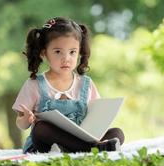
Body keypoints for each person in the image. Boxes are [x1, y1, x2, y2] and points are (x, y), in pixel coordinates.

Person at [12, 17, 125, 153]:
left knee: (118, 133)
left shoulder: (86, 84)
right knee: (40, 129)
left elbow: (96, 115)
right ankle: (92, 149)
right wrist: (26, 120)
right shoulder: (34, 84)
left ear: (79, 52)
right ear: (44, 53)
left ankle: (83, 148)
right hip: (48, 143)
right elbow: (21, 124)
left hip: (81, 138)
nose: (66, 58)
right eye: (58, 52)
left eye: (72, 52)